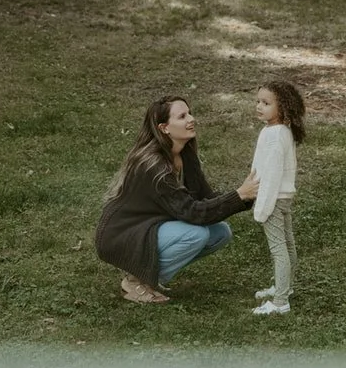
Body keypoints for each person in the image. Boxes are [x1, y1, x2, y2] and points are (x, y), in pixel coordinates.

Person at [95, 95, 259, 303]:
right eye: (182, 116)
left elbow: (206, 198)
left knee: (220, 232)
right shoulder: (154, 168)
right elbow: (193, 213)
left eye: (189, 113)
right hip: (124, 235)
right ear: (164, 128)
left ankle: (147, 276)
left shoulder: (185, 154)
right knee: (196, 234)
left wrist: (246, 196)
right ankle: (136, 281)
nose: (191, 119)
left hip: (153, 226)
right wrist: (239, 195)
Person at [249, 80, 306, 317]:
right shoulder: (282, 130)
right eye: (258, 102)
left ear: (282, 107)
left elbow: (271, 175)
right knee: (288, 244)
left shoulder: (274, 135)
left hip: (272, 198)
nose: (259, 106)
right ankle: (285, 286)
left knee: (278, 249)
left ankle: (281, 300)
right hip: (284, 197)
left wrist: (261, 208)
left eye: (266, 103)